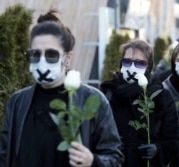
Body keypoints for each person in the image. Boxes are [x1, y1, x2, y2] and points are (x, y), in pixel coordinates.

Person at [0, 10, 124, 167]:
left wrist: (93, 161)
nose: (42, 62)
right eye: (35, 54)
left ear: (68, 58)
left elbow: (115, 157)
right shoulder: (17, 103)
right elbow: (5, 157)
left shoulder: (93, 101)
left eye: (51, 55)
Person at [100, 39, 179, 167]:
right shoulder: (107, 92)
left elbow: (175, 141)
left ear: (148, 67)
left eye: (139, 63)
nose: (132, 67)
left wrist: (158, 149)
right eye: (127, 62)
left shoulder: (161, 96)